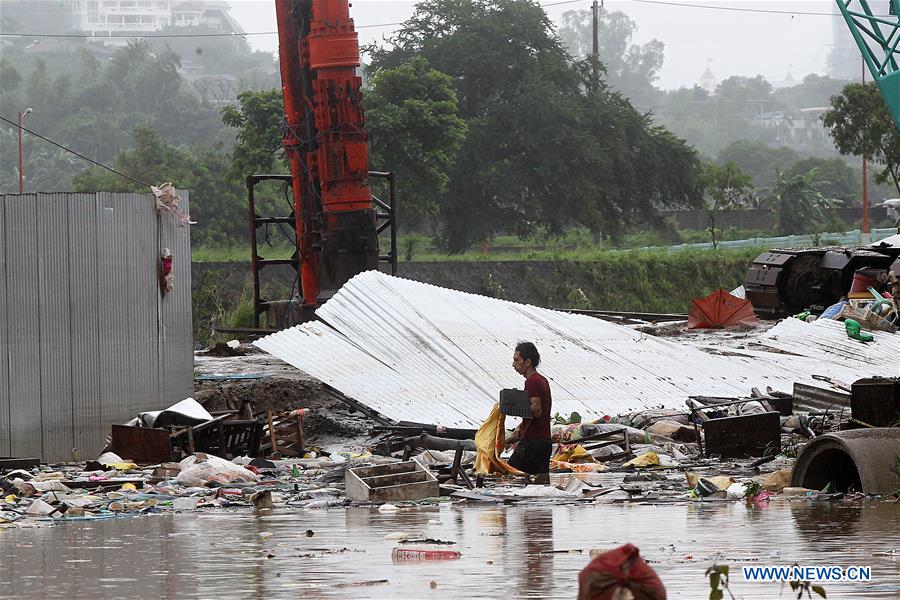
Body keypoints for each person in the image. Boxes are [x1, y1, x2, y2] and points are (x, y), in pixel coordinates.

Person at [508, 341, 552, 477]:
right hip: (544, 441)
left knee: (511, 474)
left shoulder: (531, 381)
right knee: (539, 482)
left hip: (533, 442)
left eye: (517, 360)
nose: (514, 364)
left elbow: (537, 410)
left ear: (527, 362)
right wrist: (521, 426)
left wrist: (514, 406)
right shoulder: (542, 380)